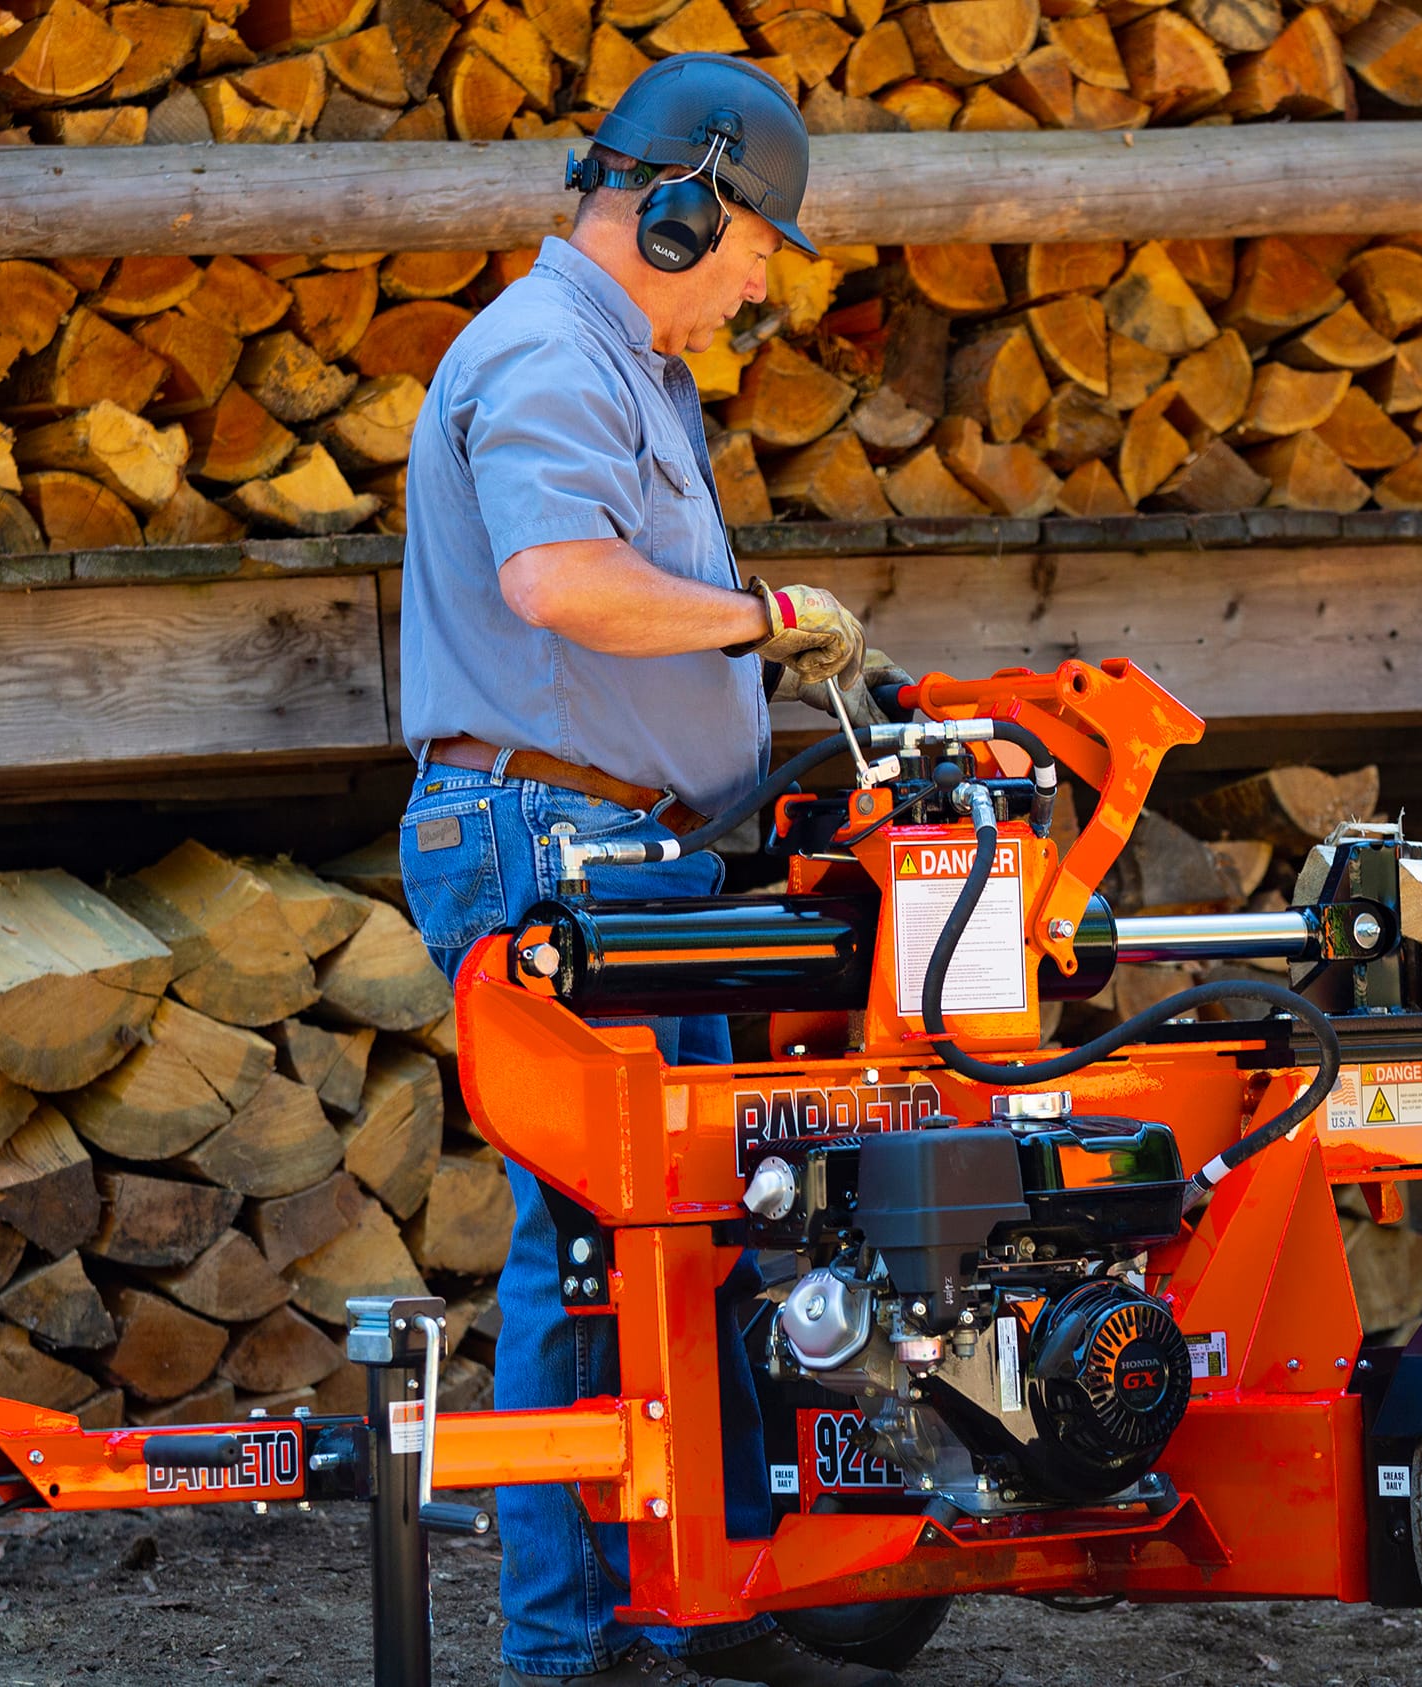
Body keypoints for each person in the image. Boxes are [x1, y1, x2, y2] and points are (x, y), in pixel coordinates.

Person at [394, 51, 905, 1687]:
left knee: (675, 1233)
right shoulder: (550, 354)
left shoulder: (627, 370)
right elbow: (557, 583)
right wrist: (763, 621)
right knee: (593, 1245)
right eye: (756, 250)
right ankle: (574, 1647)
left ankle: (691, 1603)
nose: (760, 288)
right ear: (679, 214)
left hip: (620, 839)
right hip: (557, 839)